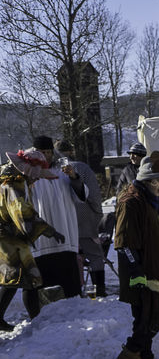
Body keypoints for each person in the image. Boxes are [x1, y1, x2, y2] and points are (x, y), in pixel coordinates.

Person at [114, 152, 159, 359]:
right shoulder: (131, 202)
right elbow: (123, 243)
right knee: (155, 313)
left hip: (152, 268)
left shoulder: (147, 199)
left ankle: (145, 358)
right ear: (147, 180)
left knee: (149, 314)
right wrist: (138, 274)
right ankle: (130, 353)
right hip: (140, 272)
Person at [0, 153, 64, 331]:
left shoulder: (12, 180)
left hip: (10, 235)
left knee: (25, 277)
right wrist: (49, 231)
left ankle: (36, 320)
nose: (36, 178)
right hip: (7, 237)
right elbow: (23, 214)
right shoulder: (13, 184)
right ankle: (36, 322)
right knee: (19, 276)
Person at [26, 137, 81, 308]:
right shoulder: (28, 176)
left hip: (65, 237)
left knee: (70, 284)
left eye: (49, 152)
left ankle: (75, 313)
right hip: (40, 242)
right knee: (38, 286)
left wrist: (73, 177)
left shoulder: (61, 173)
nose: (46, 156)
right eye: (42, 153)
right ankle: (39, 320)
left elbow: (81, 195)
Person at [55, 139, 105, 298]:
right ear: (71, 151)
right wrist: (97, 212)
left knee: (69, 259)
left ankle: (72, 294)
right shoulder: (81, 168)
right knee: (95, 256)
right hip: (85, 218)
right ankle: (100, 291)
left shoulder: (51, 171)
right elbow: (94, 195)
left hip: (62, 222)